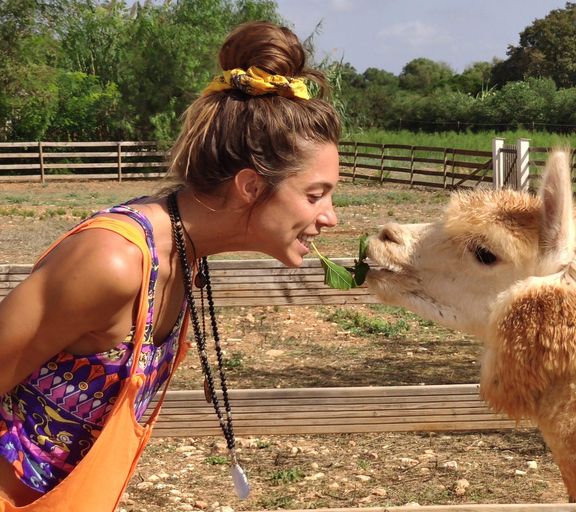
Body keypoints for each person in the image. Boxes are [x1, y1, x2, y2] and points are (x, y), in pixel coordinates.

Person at [0, 20, 341, 511]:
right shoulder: (112, 261)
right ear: (250, 187)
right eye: (315, 195)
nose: (330, 217)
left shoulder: (184, 255)